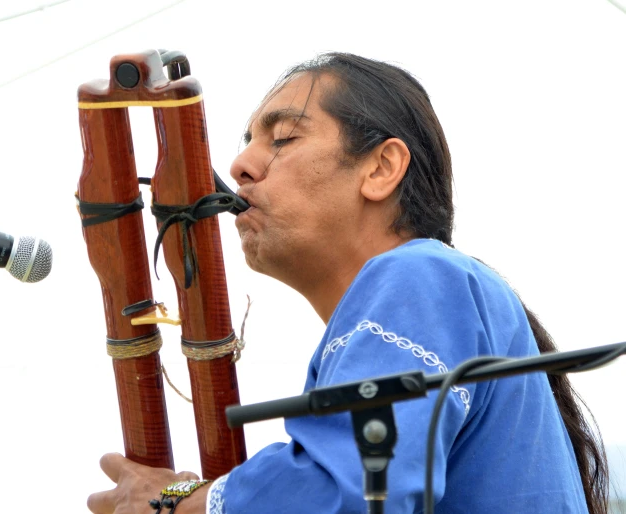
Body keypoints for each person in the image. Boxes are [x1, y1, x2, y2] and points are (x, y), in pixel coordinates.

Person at [86, 52, 609, 513]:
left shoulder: (420, 273)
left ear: (382, 168)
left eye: (283, 138)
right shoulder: (435, 293)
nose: (240, 165)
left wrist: (179, 503)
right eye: (248, 142)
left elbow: (352, 489)